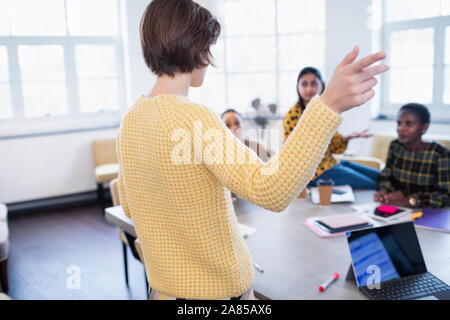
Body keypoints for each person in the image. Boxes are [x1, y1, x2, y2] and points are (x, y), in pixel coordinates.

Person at [116, 0, 388, 300]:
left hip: (163, 292)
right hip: (218, 296)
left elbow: (131, 206)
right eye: (208, 47)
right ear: (196, 48)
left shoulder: (130, 119)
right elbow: (271, 190)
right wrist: (327, 106)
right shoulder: (196, 119)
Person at [283, 66, 380, 189]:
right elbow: (291, 152)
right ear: (298, 88)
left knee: (381, 176)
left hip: (331, 163)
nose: (309, 88)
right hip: (315, 173)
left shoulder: (325, 111)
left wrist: (347, 138)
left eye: (313, 83)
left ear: (321, 85)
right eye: (304, 84)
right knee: (374, 185)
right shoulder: (293, 115)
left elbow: (334, 147)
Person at [374, 103, 449, 208]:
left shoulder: (440, 154)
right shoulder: (395, 146)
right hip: (398, 207)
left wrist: (413, 200)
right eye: (399, 123)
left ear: (424, 127)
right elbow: (386, 176)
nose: (401, 129)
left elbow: (445, 195)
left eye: (408, 124)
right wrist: (383, 191)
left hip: (427, 211)